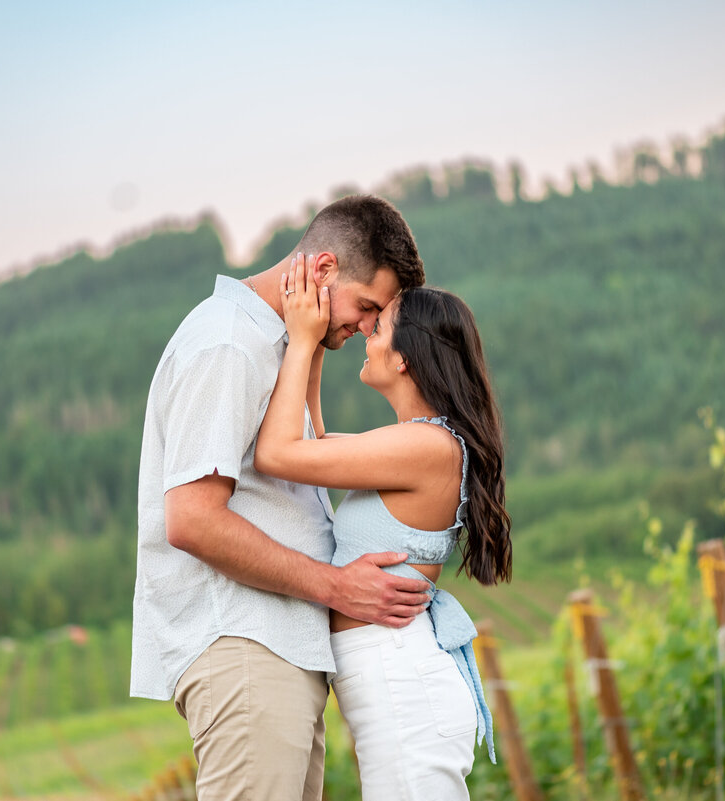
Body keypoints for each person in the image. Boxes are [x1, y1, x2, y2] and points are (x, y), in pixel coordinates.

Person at [130, 195, 430, 801]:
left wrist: (310, 347)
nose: (369, 327)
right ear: (322, 271)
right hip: (246, 650)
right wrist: (335, 586)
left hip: (274, 651)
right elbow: (190, 519)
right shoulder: (230, 345)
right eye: (367, 306)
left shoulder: (277, 346)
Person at [254, 256, 513, 800]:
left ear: (405, 359)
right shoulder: (419, 441)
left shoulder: (426, 447)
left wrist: (301, 343)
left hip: (404, 692)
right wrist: (321, 342)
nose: (367, 333)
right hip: (397, 688)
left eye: (380, 327)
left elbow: (278, 453)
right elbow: (313, 445)